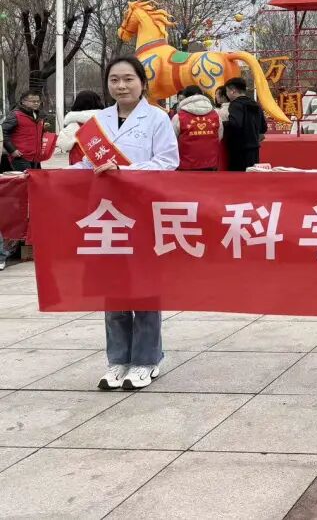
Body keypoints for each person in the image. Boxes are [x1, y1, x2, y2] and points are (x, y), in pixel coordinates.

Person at [70, 56, 179, 390]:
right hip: (106, 215)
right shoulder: (98, 122)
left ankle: (147, 360)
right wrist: (41, 177)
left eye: (129, 79)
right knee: (113, 287)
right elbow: (87, 166)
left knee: (144, 287)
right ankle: (118, 360)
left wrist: (125, 171)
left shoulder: (157, 118)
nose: (121, 86)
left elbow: (168, 162)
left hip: (143, 212)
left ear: (142, 82)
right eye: (114, 80)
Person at [172, 86, 223, 171]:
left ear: (185, 98)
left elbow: (172, 141)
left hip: (186, 166)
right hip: (211, 165)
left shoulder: (178, 117)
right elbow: (219, 137)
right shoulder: (216, 116)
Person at [222, 77, 266, 171]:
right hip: (254, 149)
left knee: (238, 177)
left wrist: (221, 124)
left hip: (239, 150)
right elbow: (263, 128)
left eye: (227, 91)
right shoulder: (255, 104)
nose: (227, 94)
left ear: (233, 91)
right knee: (252, 174)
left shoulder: (236, 104)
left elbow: (235, 124)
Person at [56, 90, 106, 166]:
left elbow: (63, 145)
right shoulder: (106, 121)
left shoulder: (74, 125)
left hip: (80, 166)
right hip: (104, 163)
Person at [2, 90, 46, 172]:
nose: (36, 103)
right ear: (23, 102)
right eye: (33, 101)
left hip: (36, 157)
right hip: (20, 157)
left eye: (38, 101)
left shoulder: (38, 115)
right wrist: (12, 150)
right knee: (25, 179)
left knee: (35, 179)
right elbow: (3, 132)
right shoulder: (15, 115)